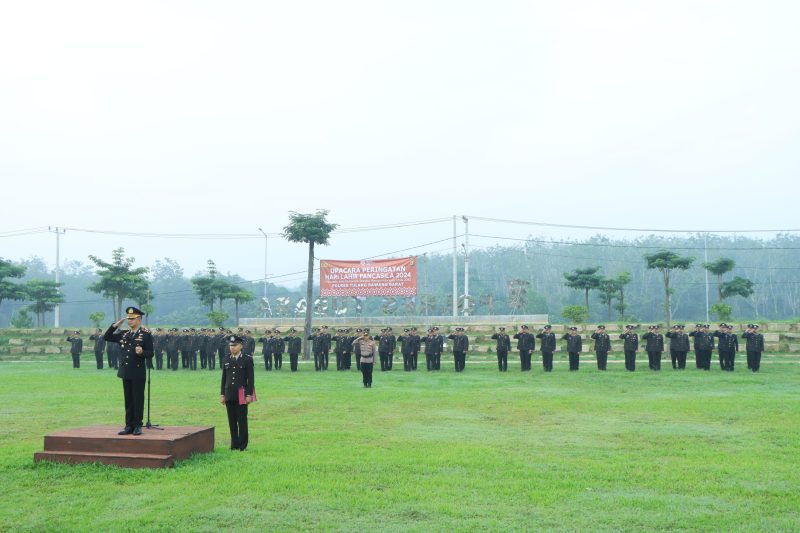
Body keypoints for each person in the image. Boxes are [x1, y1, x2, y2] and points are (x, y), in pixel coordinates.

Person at [103, 307, 154, 436]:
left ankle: (137, 425)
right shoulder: (124, 334)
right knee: (128, 400)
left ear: (139, 319)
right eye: (128, 319)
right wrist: (115, 326)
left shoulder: (145, 334)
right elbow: (107, 337)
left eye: (132, 319)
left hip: (137, 372)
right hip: (125, 371)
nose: (129, 321)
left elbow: (151, 353)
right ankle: (128, 426)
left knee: (137, 399)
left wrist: (142, 352)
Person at [219, 334, 254, 451]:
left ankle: (243, 445)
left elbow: (251, 379)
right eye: (230, 345)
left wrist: (249, 394)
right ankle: (234, 444)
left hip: (241, 393)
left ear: (241, 346)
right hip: (229, 393)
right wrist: (222, 394)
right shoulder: (226, 359)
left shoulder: (247, 359)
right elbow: (224, 378)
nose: (232, 347)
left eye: (234, 345)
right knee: (232, 421)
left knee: (242, 420)